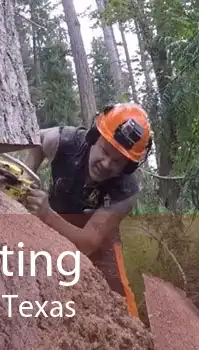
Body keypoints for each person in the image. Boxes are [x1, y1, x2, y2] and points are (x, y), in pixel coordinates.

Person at [21, 103, 153, 319]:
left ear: (128, 167)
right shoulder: (66, 140)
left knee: (119, 296)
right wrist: (26, 176)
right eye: (105, 151)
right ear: (94, 137)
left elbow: (89, 243)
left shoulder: (126, 190)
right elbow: (38, 140)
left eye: (118, 162)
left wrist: (46, 214)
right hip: (55, 218)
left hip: (98, 238)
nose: (107, 163)